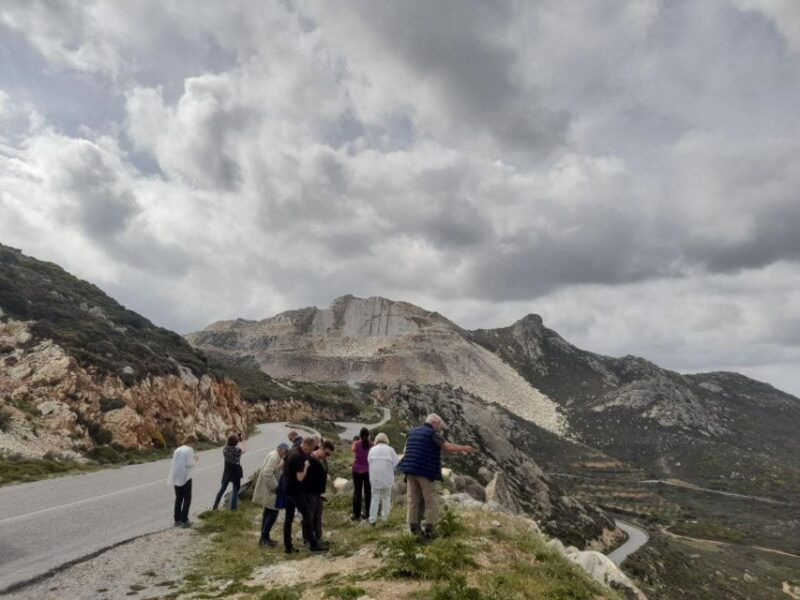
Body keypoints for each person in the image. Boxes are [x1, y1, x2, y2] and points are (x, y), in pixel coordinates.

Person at [398, 414, 475, 540]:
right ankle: (429, 530)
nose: (439, 428)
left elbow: (406, 450)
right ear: (434, 423)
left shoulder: (412, 432)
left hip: (410, 471)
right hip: (424, 471)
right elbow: (447, 447)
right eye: (439, 425)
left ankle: (413, 528)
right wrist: (464, 448)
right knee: (431, 500)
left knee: (413, 499)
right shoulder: (432, 433)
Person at [284, 436, 326, 553]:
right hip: (295, 491)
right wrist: (306, 466)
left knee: (288, 518)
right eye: (311, 449)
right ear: (307, 445)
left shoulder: (293, 450)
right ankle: (313, 545)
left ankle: (288, 547)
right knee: (307, 515)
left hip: (287, 489)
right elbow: (300, 477)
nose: (311, 451)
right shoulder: (297, 457)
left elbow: (282, 464)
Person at [252, 442, 289, 546]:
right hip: (271, 491)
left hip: (269, 490)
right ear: (282, 450)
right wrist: (276, 487)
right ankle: (264, 538)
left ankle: (264, 538)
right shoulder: (273, 457)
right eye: (285, 452)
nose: (285, 455)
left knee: (268, 512)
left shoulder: (275, 455)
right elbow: (267, 473)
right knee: (272, 513)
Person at [304, 439, 334, 545]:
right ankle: (308, 540)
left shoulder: (323, 461)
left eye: (329, 455)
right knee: (309, 516)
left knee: (318, 516)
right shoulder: (309, 459)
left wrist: (323, 492)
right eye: (326, 453)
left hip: (319, 493)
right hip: (309, 493)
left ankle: (319, 538)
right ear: (321, 448)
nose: (327, 456)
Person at [367, 432, 399, 525]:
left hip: (374, 478)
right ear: (386, 440)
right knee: (386, 498)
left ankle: (372, 519)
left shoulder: (372, 450)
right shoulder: (390, 450)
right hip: (387, 479)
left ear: (376, 440)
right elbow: (396, 464)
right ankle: (385, 518)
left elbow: (369, 461)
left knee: (375, 498)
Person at [167, 435, 197, 528]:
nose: (194, 445)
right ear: (192, 442)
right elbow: (189, 464)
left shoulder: (177, 450)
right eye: (194, 443)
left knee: (178, 498)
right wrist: (195, 460)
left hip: (176, 477)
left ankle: (177, 520)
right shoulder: (189, 450)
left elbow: (174, 463)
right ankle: (184, 520)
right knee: (187, 498)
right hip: (186, 477)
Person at [212, 434, 244, 511]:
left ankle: (215, 507)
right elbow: (243, 450)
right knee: (235, 491)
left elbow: (228, 445)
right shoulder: (238, 450)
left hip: (227, 472)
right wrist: (244, 441)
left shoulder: (225, 449)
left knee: (222, 490)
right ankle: (233, 509)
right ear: (236, 442)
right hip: (236, 472)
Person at [351, 427, 372, 521]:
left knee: (357, 491)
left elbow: (352, 449)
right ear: (368, 435)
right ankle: (368, 513)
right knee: (368, 493)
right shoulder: (371, 445)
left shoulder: (356, 444)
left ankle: (356, 514)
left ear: (360, 435)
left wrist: (357, 440)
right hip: (368, 471)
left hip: (356, 470)